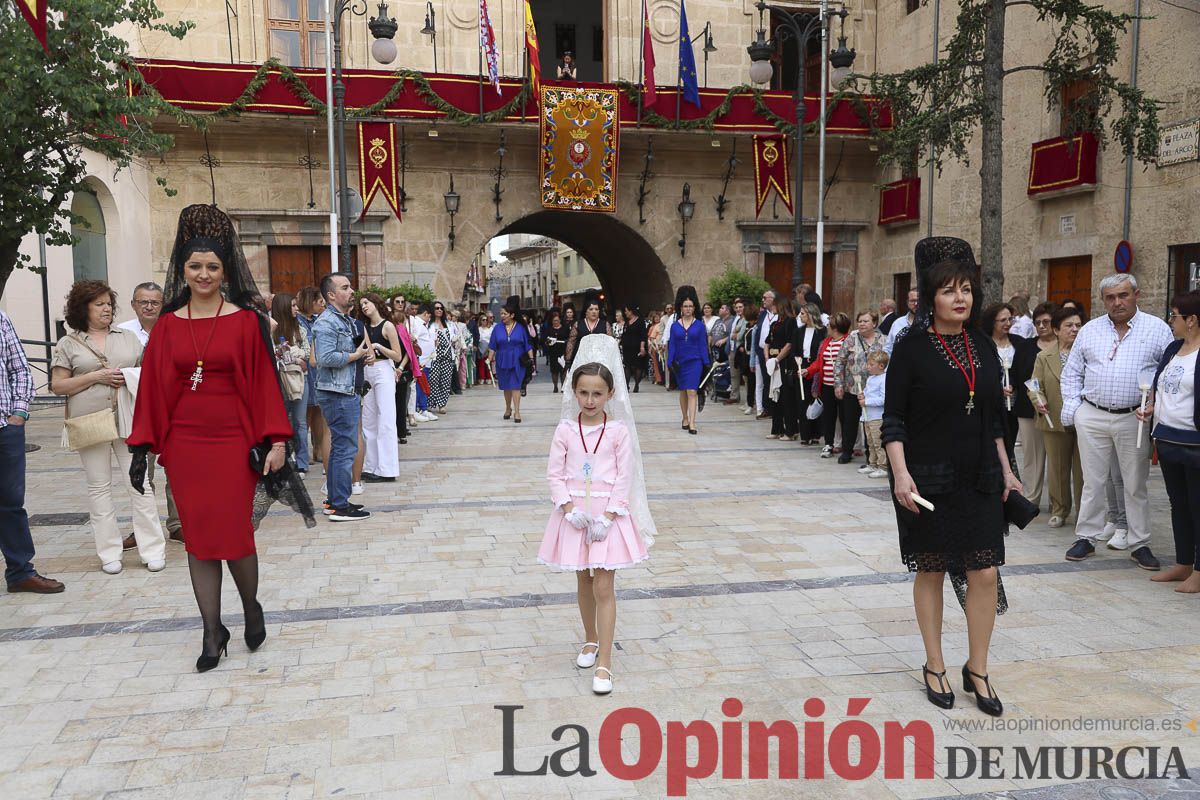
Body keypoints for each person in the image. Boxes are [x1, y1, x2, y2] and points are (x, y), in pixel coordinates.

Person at [127, 203, 306, 672]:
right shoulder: (167, 324)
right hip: (185, 446)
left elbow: (265, 384)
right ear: (182, 271)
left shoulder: (246, 322)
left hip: (232, 443)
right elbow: (153, 388)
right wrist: (142, 446)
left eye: (212, 266)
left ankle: (250, 606)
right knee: (199, 541)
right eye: (195, 266)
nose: (203, 273)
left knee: (235, 536)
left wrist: (278, 442)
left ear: (224, 271)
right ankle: (212, 630)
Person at [884, 237, 1020, 716]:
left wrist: (1008, 473)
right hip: (926, 477)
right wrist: (900, 476)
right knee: (933, 567)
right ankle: (934, 663)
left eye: (966, 289)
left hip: (980, 473)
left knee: (984, 570)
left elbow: (995, 419)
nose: (959, 298)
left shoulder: (983, 345)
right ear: (930, 296)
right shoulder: (910, 348)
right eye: (948, 290)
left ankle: (977, 668)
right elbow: (894, 419)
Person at [538, 336, 655, 695]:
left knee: (604, 584)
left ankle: (605, 660)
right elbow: (554, 474)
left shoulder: (618, 432)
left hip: (608, 516)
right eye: (584, 393)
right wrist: (568, 509)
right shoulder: (565, 430)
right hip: (576, 514)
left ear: (610, 394)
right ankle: (590, 638)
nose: (590, 400)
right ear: (574, 392)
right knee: (583, 581)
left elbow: (624, 475)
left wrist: (608, 515)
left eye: (597, 394)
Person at [52, 280, 167, 574]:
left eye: (109, 304)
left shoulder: (128, 338)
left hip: (130, 420)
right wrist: (95, 377)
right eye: (99, 304)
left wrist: (129, 375)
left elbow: (150, 373)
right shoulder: (69, 343)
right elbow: (58, 385)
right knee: (99, 488)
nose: (106, 309)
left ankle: (152, 549)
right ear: (83, 308)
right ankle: (109, 554)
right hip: (89, 421)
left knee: (139, 484)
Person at [1061, 273, 1172, 570]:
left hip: (1133, 417)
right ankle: (1086, 536)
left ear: (1137, 294)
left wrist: (1153, 406)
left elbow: (1168, 374)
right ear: (1103, 300)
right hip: (1092, 413)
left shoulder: (1158, 329)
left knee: (1135, 483)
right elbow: (1072, 372)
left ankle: (1139, 542)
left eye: (1123, 295)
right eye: (1110, 297)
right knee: (1092, 480)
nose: (1117, 302)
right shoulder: (1090, 330)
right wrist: (1074, 411)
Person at [1, 310, 65, 594]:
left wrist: (19, 413)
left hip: (5, 427)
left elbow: (19, 369)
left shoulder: (1, 318)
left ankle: (20, 572)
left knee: (11, 502)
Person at [116, 281, 183, 542]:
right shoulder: (121, 333)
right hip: (138, 411)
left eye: (154, 302)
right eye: (143, 301)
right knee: (142, 471)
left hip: (173, 411)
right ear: (133, 304)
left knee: (176, 469)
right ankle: (144, 527)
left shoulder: (174, 329)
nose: (149, 306)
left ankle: (178, 524)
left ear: (162, 304)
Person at [1143, 291, 1200, 592]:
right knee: (1178, 505)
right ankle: (1183, 563)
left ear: (1192, 320)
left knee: (1197, 505)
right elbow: (1164, 386)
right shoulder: (1173, 349)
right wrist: (1153, 406)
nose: (1170, 321)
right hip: (1166, 438)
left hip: (1195, 443)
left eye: (1175, 315)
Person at [312, 273, 374, 522]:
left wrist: (363, 354)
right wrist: (355, 356)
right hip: (337, 394)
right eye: (345, 287)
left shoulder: (344, 320)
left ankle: (338, 500)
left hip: (346, 390)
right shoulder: (327, 322)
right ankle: (338, 504)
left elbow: (350, 350)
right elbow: (325, 359)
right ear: (331, 295)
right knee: (344, 448)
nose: (352, 291)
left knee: (343, 447)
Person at [1030, 306, 1085, 528]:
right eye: (1069, 326)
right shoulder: (1044, 356)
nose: (1074, 330)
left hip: (1083, 420)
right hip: (1053, 419)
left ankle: (1084, 512)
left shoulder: (1086, 353)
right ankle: (1060, 509)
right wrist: (1038, 400)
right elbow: (1034, 385)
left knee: (1083, 471)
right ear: (1056, 330)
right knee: (1058, 468)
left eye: (1078, 325)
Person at [1012, 302, 1059, 510]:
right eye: (1037, 322)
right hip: (1027, 409)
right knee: (1032, 456)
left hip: (1057, 409)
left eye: (1046, 322)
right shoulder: (1025, 347)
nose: (1041, 326)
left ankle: (1059, 502)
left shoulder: (1064, 345)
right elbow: (1016, 374)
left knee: (1057, 457)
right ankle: (1031, 500)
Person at [357, 293, 402, 483]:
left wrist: (378, 347)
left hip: (384, 370)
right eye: (362, 305)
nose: (364, 306)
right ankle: (371, 466)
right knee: (368, 420)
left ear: (376, 303)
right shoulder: (364, 327)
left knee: (386, 418)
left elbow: (398, 355)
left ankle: (387, 468)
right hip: (369, 371)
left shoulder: (388, 326)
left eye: (366, 303)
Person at [833, 309, 887, 465]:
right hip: (853, 388)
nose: (862, 324)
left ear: (874, 323)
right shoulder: (851, 339)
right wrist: (839, 384)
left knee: (871, 423)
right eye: (860, 321)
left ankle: (872, 456)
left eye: (866, 321)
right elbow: (840, 362)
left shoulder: (883, 340)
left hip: (874, 391)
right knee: (849, 421)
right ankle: (847, 451)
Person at [270, 293, 311, 474]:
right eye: (293, 306)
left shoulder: (300, 328)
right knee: (282, 420)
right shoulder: (272, 329)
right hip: (279, 380)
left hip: (300, 380)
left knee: (300, 422)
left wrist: (293, 355)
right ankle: (285, 459)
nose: (296, 309)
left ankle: (302, 461)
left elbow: (307, 353)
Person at [980, 303, 1027, 458]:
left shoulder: (1019, 342)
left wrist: (1014, 384)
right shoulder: (983, 343)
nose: (1008, 323)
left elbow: (1023, 369)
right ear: (992, 322)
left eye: (1010, 319)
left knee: (1009, 442)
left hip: (1012, 403)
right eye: (1003, 320)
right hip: (990, 402)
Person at [803, 312, 849, 458]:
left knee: (844, 417)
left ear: (835, 327)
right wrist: (808, 370)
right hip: (827, 385)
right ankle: (829, 444)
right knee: (828, 416)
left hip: (843, 386)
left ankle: (846, 446)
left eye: (829, 325)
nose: (827, 327)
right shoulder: (826, 342)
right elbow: (819, 362)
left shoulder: (848, 341)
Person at [668, 285, 710, 435]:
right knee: (683, 390)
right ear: (681, 308)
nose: (688, 309)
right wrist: (669, 362)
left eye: (690, 306)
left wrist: (706, 363)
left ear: (694, 308)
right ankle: (684, 417)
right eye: (685, 306)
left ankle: (692, 422)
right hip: (680, 362)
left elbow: (703, 345)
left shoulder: (699, 326)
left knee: (692, 391)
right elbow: (672, 344)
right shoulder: (674, 326)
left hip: (695, 361)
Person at [297, 287, 328, 476]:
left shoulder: (317, 320)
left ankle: (318, 448)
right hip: (306, 371)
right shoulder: (298, 321)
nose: (322, 305)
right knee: (306, 412)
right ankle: (305, 450)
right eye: (319, 302)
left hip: (319, 370)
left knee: (319, 410)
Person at [489, 296, 534, 423]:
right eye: (501, 314)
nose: (502, 316)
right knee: (506, 386)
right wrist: (489, 359)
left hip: (518, 360)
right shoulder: (497, 328)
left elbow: (527, 345)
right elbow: (493, 345)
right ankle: (508, 408)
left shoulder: (521, 328)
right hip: (502, 359)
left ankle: (517, 412)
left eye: (505, 314)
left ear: (512, 315)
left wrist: (532, 360)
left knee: (516, 385)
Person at [766, 298, 801, 440]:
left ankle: (791, 430)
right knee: (775, 397)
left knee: (786, 397)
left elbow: (789, 343)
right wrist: (768, 359)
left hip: (784, 362)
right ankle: (777, 428)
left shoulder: (790, 322)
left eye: (775, 305)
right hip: (773, 362)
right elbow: (768, 341)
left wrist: (778, 359)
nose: (772, 307)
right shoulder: (775, 323)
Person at [794, 303, 826, 444]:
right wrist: (797, 360)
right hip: (801, 366)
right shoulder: (798, 331)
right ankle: (805, 434)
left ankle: (816, 433)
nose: (800, 316)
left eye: (803, 313)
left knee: (816, 399)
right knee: (802, 400)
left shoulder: (822, 331)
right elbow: (795, 349)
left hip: (816, 367)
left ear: (811, 315)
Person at [858, 350, 890, 478]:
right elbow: (867, 392)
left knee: (878, 442)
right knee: (870, 442)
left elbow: (884, 399)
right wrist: (862, 394)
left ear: (881, 366)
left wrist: (867, 401)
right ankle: (873, 463)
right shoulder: (871, 378)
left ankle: (883, 466)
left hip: (877, 417)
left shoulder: (884, 379)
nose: (868, 367)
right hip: (867, 416)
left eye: (871, 365)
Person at [565, 296, 611, 369]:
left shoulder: (605, 324)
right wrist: (568, 360)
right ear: (586, 311)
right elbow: (571, 342)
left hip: (600, 360)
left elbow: (610, 343)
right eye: (591, 309)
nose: (594, 311)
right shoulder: (578, 324)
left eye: (596, 309)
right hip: (582, 359)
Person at [426, 302, 455, 412]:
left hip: (447, 354)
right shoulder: (429, 324)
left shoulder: (448, 323)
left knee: (446, 380)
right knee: (433, 379)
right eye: (436, 308)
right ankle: (432, 402)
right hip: (435, 355)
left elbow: (455, 335)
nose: (439, 310)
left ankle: (442, 404)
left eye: (441, 308)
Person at [412, 303, 438, 422]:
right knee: (419, 386)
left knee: (424, 386)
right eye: (429, 316)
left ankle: (423, 408)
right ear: (425, 314)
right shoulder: (417, 323)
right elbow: (414, 340)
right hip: (420, 362)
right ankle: (417, 408)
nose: (429, 319)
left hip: (426, 361)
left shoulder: (424, 325)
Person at [753, 291, 778, 418]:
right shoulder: (763, 314)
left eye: (765, 298)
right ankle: (765, 408)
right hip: (762, 352)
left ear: (773, 299)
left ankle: (773, 409)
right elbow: (758, 332)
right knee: (764, 381)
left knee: (773, 382)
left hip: (775, 353)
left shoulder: (779, 315)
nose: (763, 300)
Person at [722, 299, 748, 405]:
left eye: (740, 307)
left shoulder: (746, 318)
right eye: (736, 307)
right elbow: (731, 335)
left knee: (745, 376)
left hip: (741, 350)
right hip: (732, 349)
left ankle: (749, 399)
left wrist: (734, 335)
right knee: (733, 374)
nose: (738, 309)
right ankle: (734, 395)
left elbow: (739, 336)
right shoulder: (736, 318)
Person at [620, 304, 648, 392]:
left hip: (637, 347)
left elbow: (643, 335)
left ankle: (636, 384)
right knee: (627, 366)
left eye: (626, 311)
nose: (625, 313)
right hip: (627, 347)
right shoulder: (627, 322)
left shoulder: (640, 321)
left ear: (631, 311)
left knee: (637, 366)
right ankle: (626, 385)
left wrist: (642, 347)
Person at [544, 309, 568, 392]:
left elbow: (568, 339)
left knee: (563, 370)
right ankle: (555, 386)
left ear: (560, 320)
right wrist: (548, 341)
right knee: (554, 371)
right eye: (554, 320)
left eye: (557, 320)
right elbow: (545, 340)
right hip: (553, 352)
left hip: (562, 352)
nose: (555, 322)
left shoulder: (565, 328)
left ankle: (563, 386)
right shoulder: (549, 329)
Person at [476, 311, 495, 385]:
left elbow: (492, 338)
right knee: (481, 363)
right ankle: (482, 378)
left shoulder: (490, 329)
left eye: (486, 320)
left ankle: (489, 377)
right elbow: (478, 338)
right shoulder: (478, 329)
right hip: (481, 348)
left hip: (489, 348)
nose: (485, 321)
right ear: (480, 321)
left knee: (488, 363)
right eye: (483, 320)